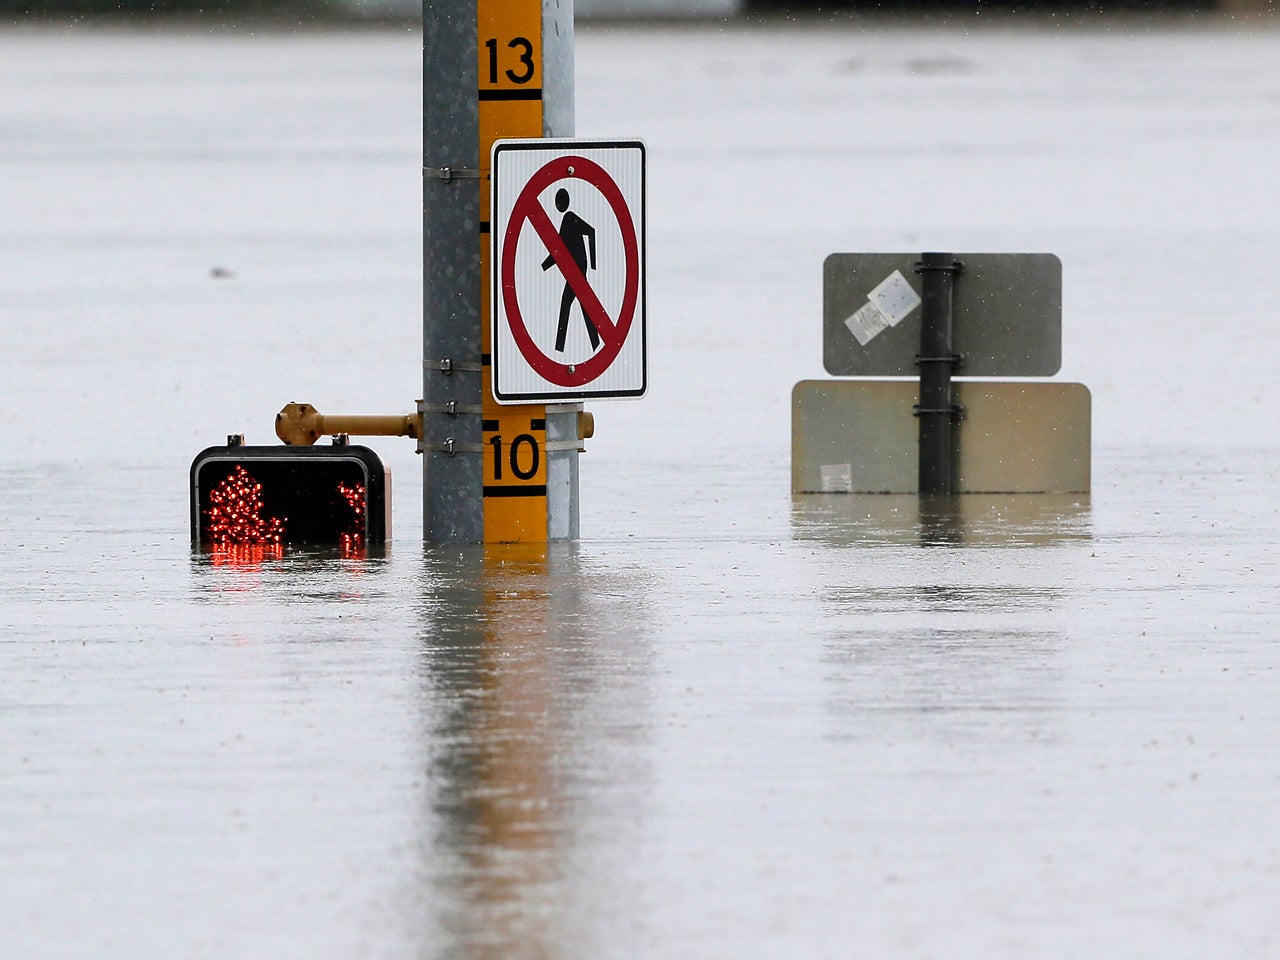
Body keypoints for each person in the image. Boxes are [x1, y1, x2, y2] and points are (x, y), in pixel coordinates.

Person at [541, 188, 600, 353]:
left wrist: (593, 264)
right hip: (574, 270)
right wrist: (543, 266)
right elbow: (558, 251)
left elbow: (591, 231)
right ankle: (596, 344)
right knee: (584, 306)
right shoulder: (566, 222)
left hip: (577, 270)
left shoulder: (569, 218)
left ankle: (559, 349)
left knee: (567, 304)